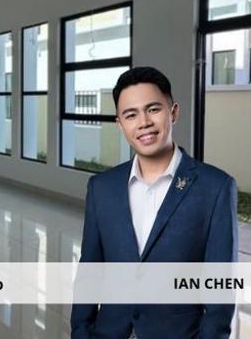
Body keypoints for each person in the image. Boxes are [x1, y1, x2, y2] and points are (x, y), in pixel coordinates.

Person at [70, 66, 237, 339]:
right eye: (131, 115)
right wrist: (80, 331)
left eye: (153, 109)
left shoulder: (215, 188)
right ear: (120, 124)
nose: (144, 122)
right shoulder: (102, 187)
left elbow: (220, 288)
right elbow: (90, 270)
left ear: (173, 112)